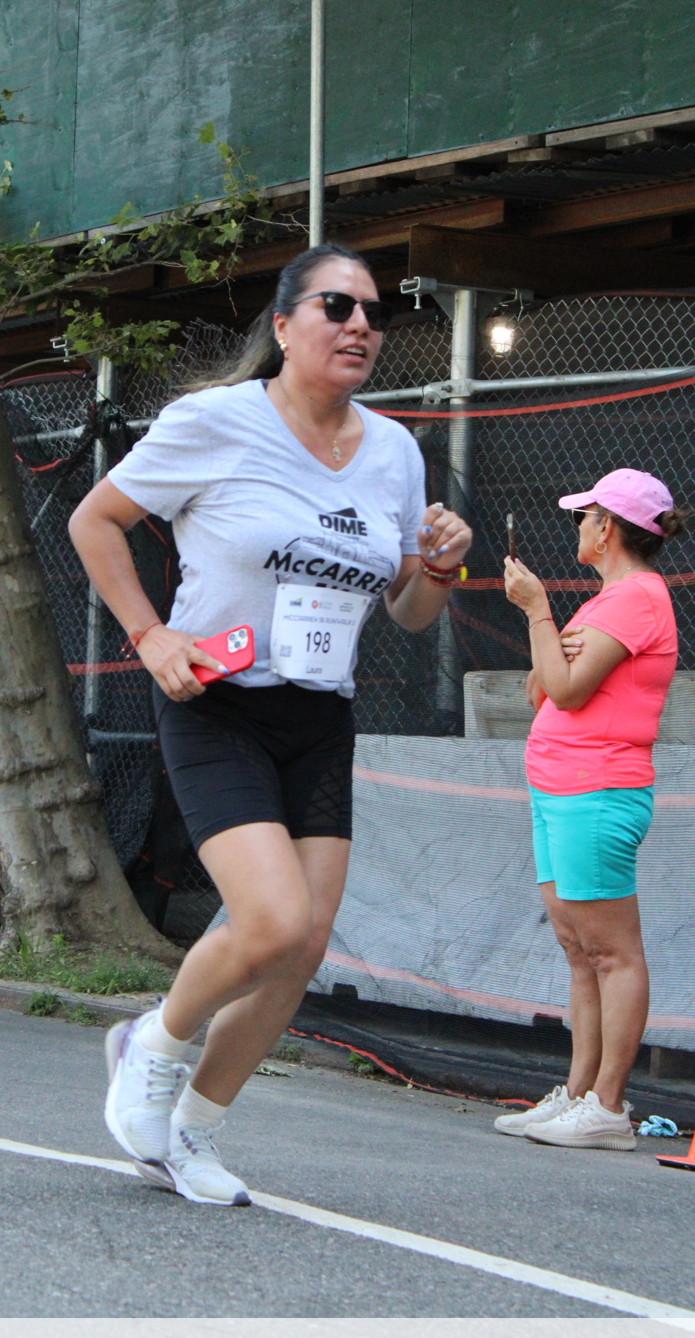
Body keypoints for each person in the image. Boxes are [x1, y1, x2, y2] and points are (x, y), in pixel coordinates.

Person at [69, 242, 473, 1204]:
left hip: (319, 713)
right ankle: (151, 1043)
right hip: (216, 701)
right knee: (271, 918)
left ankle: (194, 1131)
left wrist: (440, 566)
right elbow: (95, 521)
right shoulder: (217, 421)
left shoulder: (392, 450)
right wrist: (150, 634)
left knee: (301, 947)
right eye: (337, 306)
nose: (361, 325)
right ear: (284, 325)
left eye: (376, 313)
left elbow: (409, 612)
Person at [496, 469, 685, 1150]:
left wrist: (538, 612)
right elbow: (537, 689)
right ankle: (578, 1094)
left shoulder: (636, 598)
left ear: (607, 528)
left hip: (597, 791)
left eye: (584, 516)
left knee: (612, 954)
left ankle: (607, 1107)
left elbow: (568, 690)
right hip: (560, 790)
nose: (576, 526)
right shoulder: (609, 600)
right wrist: (551, 645)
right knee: (580, 950)